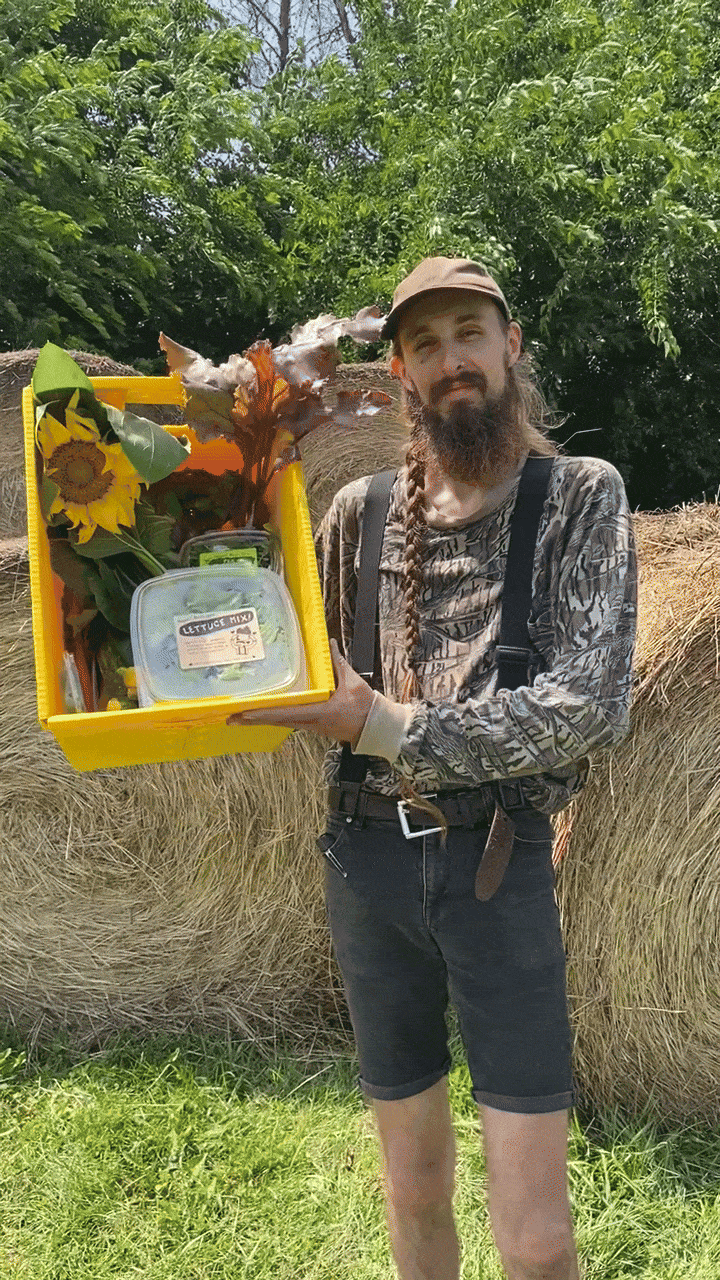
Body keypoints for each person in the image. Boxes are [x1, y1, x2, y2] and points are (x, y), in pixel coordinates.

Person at [228, 256, 637, 1280]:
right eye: (424, 344)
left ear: (510, 346)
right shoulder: (356, 513)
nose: (451, 359)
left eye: (469, 333)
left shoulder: (578, 497)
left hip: (498, 870)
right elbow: (289, 660)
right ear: (402, 373)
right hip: (366, 866)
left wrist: (386, 725)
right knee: (411, 1190)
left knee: (536, 1241)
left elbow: (588, 708)